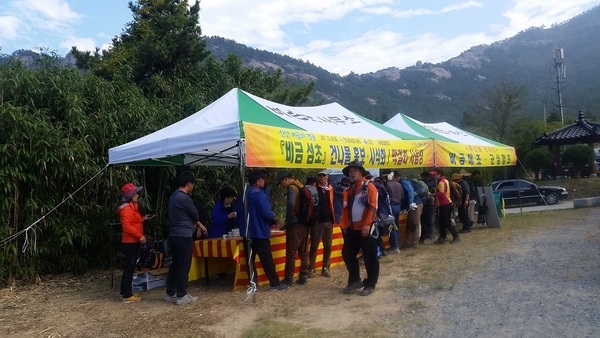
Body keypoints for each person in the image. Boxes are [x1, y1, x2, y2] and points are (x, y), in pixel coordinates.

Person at [164, 171, 207, 305]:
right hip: (184, 235)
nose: (192, 187)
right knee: (184, 265)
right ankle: (181, 295)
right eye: (192, 184)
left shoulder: (173, 196)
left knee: (176, 264)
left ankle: (170, 292)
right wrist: (198, 223)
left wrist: (196, 223)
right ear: (189, 184)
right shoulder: (185, 198)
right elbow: (195, 213)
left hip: (174, 234)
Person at [245, 170, 289, 291]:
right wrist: (272, 214)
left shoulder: (244, 194)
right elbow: (266, 214)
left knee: (250, 260)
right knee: (267, 259)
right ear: (258, 181)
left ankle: (253, 283)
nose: (264, 181)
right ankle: (274, 283)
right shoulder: (260, 195)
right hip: (260, 232)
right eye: (263, 179)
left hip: (247, 232)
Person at [341, 160, 379, 296]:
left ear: (361, 172)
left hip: (366, 228)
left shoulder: (369, 187)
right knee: (347, 253)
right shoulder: (351, 188)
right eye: (350, 171)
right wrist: (345, 224)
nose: (352, 173)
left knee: (370, 256)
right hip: (352, 228)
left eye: (355, 170)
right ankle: (355, 280)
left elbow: (373, 207)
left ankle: (370, 284)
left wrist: (367, 224)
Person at [118, 183, 150, 302]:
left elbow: (133, 222)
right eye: (135, 193)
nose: (137, 195)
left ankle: (126, 292)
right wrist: (140, 236)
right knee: (129, 267)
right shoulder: (126, 209)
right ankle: (126, 295)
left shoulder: (131, 207)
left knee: (130, 267)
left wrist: (143, 219)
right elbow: (126, 226)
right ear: (131, 195)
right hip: (130, 242)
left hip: (133, 241)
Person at [278, 172, 311, 286]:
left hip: (295, 224)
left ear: (285, 179)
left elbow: (291, 204)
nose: (282, 185)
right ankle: (304, 275)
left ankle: (288, 278)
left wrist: (287, 219)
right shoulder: (301, 185)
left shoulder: (292, 188)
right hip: (305, 223)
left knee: (291, 252)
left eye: (281, 182)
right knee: (303, 251)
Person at [308, 169, 335, 278]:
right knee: (314, 245)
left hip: (329, 220)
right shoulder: (313, 188)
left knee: (328, 246)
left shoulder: (330, 188)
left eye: (323, 175)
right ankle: (311, 268)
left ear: (327, 176)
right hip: (317, 222)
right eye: (319, 175)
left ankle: (326, 267)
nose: (321, 177)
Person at [431, 169, 460, 244]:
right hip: (445, 204)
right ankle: (442, 237)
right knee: (442, 221)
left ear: (439, 174)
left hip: (445, 204)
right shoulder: (445, 180)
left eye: (435, 174)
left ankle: (455, 235)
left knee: (446, 221)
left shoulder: (441, 182)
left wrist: (432, 194)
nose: (434, 176)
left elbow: (441, 193)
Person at [385, 170, 404, 254]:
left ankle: (394, 247)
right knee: (396, 226)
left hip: (391, 206)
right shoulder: (399, 185)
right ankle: (397, 245)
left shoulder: (387, 185)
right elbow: (403, 196)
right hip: (398, 206)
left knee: (392, 226)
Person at [419, 171, 437, 244]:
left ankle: (430, 236)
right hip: (426, 203)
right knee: (426, 221)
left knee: (429, 220)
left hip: (430, 203)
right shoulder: (432, 181)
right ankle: (426, 236)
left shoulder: (433, 182)